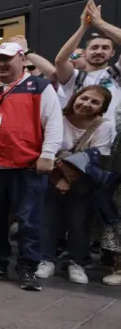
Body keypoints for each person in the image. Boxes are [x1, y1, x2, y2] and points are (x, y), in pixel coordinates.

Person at [0, 41, 63, 291]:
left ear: (22, 59)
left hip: (26, 166)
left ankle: (27, 267)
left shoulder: (40, 87)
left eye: (6, 59)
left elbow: (53, 123)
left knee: (29, 220)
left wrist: (48, 154)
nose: (0, 64)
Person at [38, 85, 113, 285]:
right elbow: (45, 148)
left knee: (79, 223)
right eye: (84, 98)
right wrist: (58, 178)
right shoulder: (56, 118)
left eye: (95, 102)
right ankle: (46, 259)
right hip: (51, 176)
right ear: (75, 98)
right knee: (48, 220)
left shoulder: (103, 126)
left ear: (101, 108)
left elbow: (95, 158)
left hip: (82, 183)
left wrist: (68, 179)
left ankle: (76, 262)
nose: (87, 104)